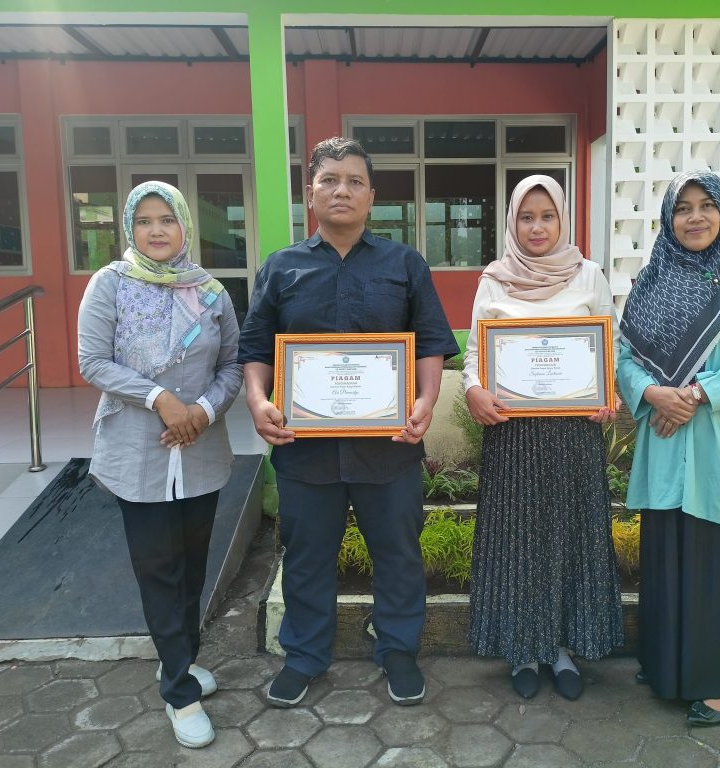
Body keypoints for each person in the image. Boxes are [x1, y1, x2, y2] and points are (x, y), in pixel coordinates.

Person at [239, 137, 460, 708]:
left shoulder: (404, 264)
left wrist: (426, 400)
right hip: (305, 449)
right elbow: (256, 347)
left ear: (372, 196)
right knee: (306, 556)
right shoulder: (281, 268)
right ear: (310, 193)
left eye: (355, 181)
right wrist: (258, 401)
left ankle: (398, 650)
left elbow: (430, 342)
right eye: (330, 180)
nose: (342, 190)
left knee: (398, 554)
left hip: (388, 448)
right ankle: (304, 656)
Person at [78, 181, 242, 749]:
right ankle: (179, 692)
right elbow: (92, 360)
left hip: (200, 449)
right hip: (137, 451)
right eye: (144, 221)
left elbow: (232, 364)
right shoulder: (111, 284)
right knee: (158, 570)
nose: (156, 230)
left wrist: (201, 410)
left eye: (166, 219)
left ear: (185, 226)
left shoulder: (211, 292)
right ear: (129, 228)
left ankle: (181, 660)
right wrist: (159, 399)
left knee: (192, 567)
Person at [616, 170, 720, 726]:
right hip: (668, 440)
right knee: (672, 550)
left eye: (706, 205)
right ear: (668, 218)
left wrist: (697, 393)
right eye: (682, 208)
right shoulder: (653, 279)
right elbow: (624, 358)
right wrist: (652, 394)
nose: (694, 217)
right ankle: (668, 665)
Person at [463, 175, 625, 700]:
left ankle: (560, 648)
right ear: (512, 221)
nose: (537, 227)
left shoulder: (588, 275)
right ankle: (522, 650)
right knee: (518, 542)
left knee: (569, 539)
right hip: (512, 434)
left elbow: (609, 348)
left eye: (547, 216)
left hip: (573, 433)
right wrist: (473, 389)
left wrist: (607, 393)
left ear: (563, 219)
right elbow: (474, 353)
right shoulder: (495, 279)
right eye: (526, 217)